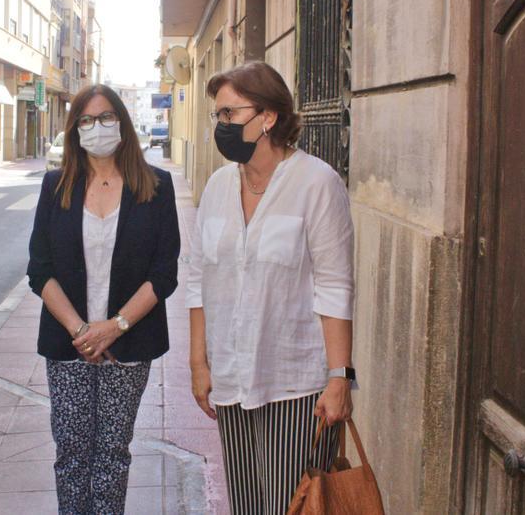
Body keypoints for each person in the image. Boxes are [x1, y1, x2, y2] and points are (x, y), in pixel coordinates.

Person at [186, 62, 356, 513]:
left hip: (296, 384)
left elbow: (335, 286)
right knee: (246, 505)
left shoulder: (316, 183)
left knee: (292, 506)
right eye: (217, 116)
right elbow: (198, 278)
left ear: (268, 117)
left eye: (229, 114)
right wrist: (198, 362)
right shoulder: (219, 186)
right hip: (232, 379)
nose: (221, 125)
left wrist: (339, 378)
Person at [27, 84, 181, 515]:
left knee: (113, 453)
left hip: (129, 343)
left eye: (107, 117)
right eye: (87, 120)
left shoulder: (156, 186)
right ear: (75, 129)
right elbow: (40, 270)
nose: (98, 128)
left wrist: (114, 327)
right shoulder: (56, 185)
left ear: (123, 122)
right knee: (72, 455)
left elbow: (163, 273)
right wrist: (82, 331)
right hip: (69, 344)